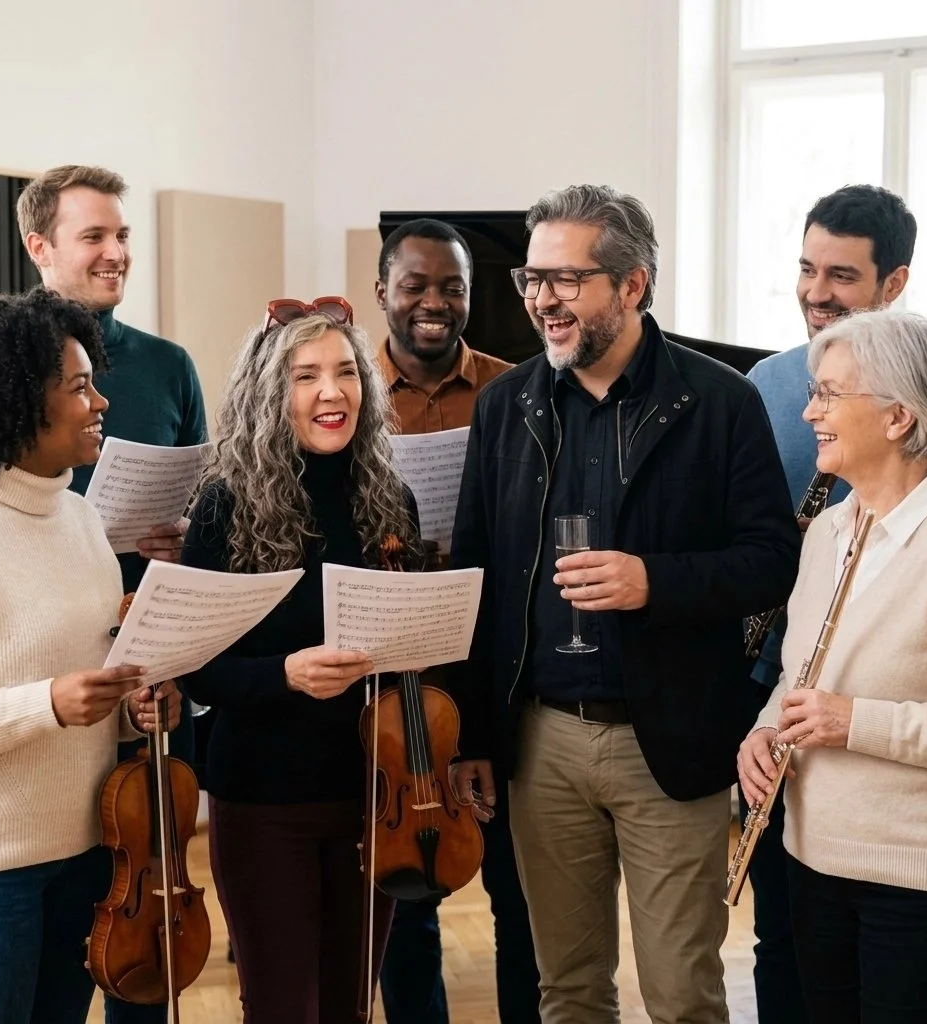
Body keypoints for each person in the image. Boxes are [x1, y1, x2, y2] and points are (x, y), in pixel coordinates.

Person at [449, 184, 801, 1023]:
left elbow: (770, 562)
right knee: (567, 990)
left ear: (633, 284)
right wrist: (470, 732)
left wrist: (655, 581)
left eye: (566, 280)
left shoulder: (722, 400)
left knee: (682, 993)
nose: (542, 300)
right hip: (541, 742)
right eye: (532, 279)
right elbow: (474, 577)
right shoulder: (508, 405)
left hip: (669, 742)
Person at [0, 290, 179, 1024]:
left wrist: (135, 709)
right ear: (13, 401)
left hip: (88, 855)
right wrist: (48, 704)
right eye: (78, 386)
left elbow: (94, 683)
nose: (101, 400)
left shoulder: (82, 517)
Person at [180, 299, 421, 1024]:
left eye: (347, 373)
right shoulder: (224, 507)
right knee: (283, 1006)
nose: (331, 392)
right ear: (269, 393)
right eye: (305, 375)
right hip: (263, 798)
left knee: (352, 1002)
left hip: (375, 799)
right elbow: (196, 668)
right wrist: (284, 674)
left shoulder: (390, 501)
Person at [738, 308, 927, 1022]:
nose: (808, 412)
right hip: (810, 861)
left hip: (917, 884)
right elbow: (801, 677)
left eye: (829, 394)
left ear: (896, 417)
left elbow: (839, 712)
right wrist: (762, 734)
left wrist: (854, 722)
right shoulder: (827, 529)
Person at [374, 219, 540, 1024]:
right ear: (383, 294)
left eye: (453, 287)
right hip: (388, 676)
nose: (435, 303)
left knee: (516, 890)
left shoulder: (517, 389)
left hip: (491, 665)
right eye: (416, 286)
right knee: (404, 905)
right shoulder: (346, 394)